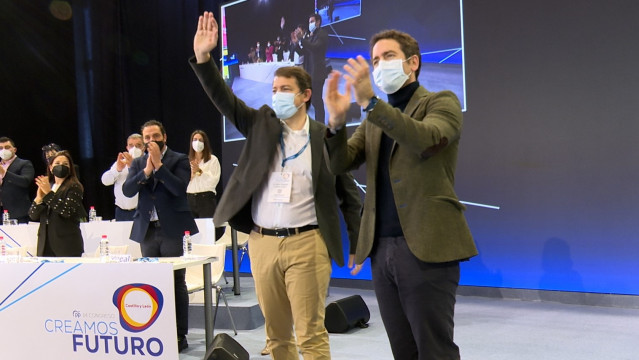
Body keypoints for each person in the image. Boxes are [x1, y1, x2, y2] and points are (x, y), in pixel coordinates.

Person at [191, 12, 361, 360]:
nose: (277, 95)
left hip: (308, 244)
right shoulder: (260, 125)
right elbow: (224, 99)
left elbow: (348, 193)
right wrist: (205, 58)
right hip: (262, 243)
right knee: (277, 337)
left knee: (311, 335)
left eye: (285, 90)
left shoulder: (321, 137)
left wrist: (357, 242)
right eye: (274, 90)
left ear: (305, 96)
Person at [324, 30, 478, 360]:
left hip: (426, 248)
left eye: (388, 57)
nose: (380, 66)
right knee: (403, 351)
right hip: (382, 251)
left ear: (413, 63)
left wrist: (371, 103)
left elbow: (427, 139)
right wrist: (335, 124)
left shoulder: (441, 102)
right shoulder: (374, 120)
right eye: (375, 60)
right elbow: (340, 162)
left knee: (434, 349)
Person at [122, 120, 199, 353]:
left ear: (164, 136)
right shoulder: (137, 163)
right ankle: (157, 331)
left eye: (155, 136)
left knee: (176, 282)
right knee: (152, 283)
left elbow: (178, 188)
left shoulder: (178, 159)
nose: (151, 140)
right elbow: (128, 190)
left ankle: (179, 335)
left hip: (172, 229)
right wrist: (146, 171)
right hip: (147, 230)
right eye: (147, 137)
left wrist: (158, 166)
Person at [29, 150, 86, 257]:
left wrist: (49, 194)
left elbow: (66, 211)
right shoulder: (48, 185)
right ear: (50, 167)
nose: (61, 166)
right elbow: (33, 215)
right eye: (57, 163)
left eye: (65, 164)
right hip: (45, 243)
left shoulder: (74, 186)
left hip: (66, 244)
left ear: (70, 168)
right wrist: (38, 198)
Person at [292, 14, 328, 124]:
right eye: (309, 22)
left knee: (317, 100)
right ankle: (319, 123)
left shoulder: (322, 34)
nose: (310, 24)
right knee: (314, 100)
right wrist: (297, 43)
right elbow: (304, 52)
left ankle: (320, 124)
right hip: (311, 73)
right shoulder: (312, 36)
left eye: (312, 21)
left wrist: (302, 39)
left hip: (318, 73)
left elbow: (315, 48)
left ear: (318, 22)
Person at [100, 133, 144, 221]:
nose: (134, 148)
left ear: (144, 147)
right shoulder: (120, 163)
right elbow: (105, 181)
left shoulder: (147, 163)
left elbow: (144, 181)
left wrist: (132, 167)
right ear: (127, 148)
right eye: (131, 145)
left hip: (140, 212)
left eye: (138, 145)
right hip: (121, 212)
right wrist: (117, 170)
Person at [186, 130, 221, 218]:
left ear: (205, 142)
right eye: (194, 139)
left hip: (206, 199)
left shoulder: (212, 160)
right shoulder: (187, 161)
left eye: (200, 140)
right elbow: (183, 181)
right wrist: (190, 175)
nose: (197, 142)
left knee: (207, 229)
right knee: (192, 230)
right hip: (190, 198)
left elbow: (213, 181)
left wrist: (199, 171)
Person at [0, 137, 35, 224]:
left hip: (18, 214)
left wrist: (5, 173)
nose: (3, 150)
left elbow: (25, 181)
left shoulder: (24, 164)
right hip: (2, 213)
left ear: (14, 149)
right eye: (1, 148)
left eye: (7, 147)